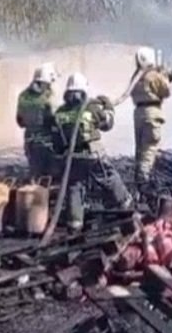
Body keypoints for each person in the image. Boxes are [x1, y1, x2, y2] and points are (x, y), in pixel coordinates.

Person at [52, 72, 133, 231]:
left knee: (74, 186)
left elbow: (56, 139)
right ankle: (125, 203)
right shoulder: (91, 108)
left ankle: (75, 224)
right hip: (92, 155)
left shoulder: (60, 112)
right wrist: (108, 106)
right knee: (108, 177)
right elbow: (108, 124)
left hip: (72, 157)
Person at [131, 46, 172, 195]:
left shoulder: (136, 77)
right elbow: (166, 91)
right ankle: (144, 184)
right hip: (151, 113)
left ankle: (137, 185)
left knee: (140, 150)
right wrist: (167, 77)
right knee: (149, 149)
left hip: (138, 113)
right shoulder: (153, 75)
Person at [15, 63, 58, 178]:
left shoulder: (23, 95)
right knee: (51, 175)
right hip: (47, 144)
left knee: (35, 173)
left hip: (29, 142)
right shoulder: (48, 97)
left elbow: (20, 121)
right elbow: (55, 120)